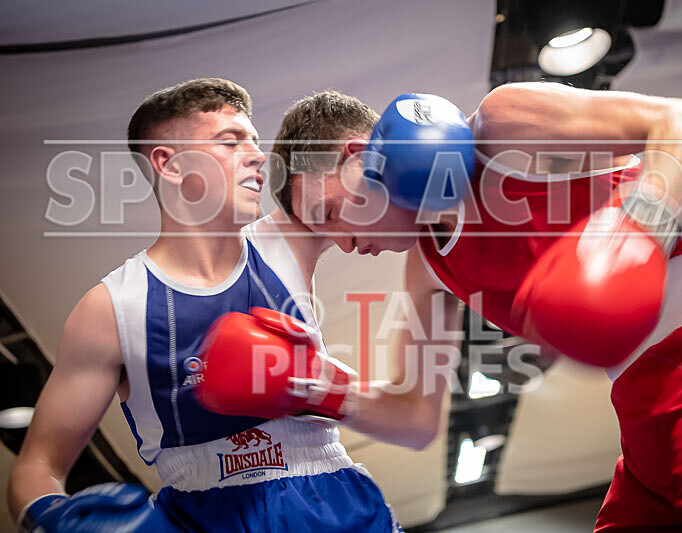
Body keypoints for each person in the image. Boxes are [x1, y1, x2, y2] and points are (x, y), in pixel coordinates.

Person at [252, 85, 682, 531]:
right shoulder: (428, 268)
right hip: (642, 418)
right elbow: (415, 418)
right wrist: (311, 385)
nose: (345, 245)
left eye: (329, 214)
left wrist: (632, 233)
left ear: (358, 158)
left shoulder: (502, 127)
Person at [7, 78, 401, 532]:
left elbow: (381, 189)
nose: (257, 156)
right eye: (230, 141)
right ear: (169, 164)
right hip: (201, 517)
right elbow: (37, 465)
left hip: (332, 501)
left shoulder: (290, 240)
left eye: (255, 141)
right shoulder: (110, 309)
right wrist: (51, 518)